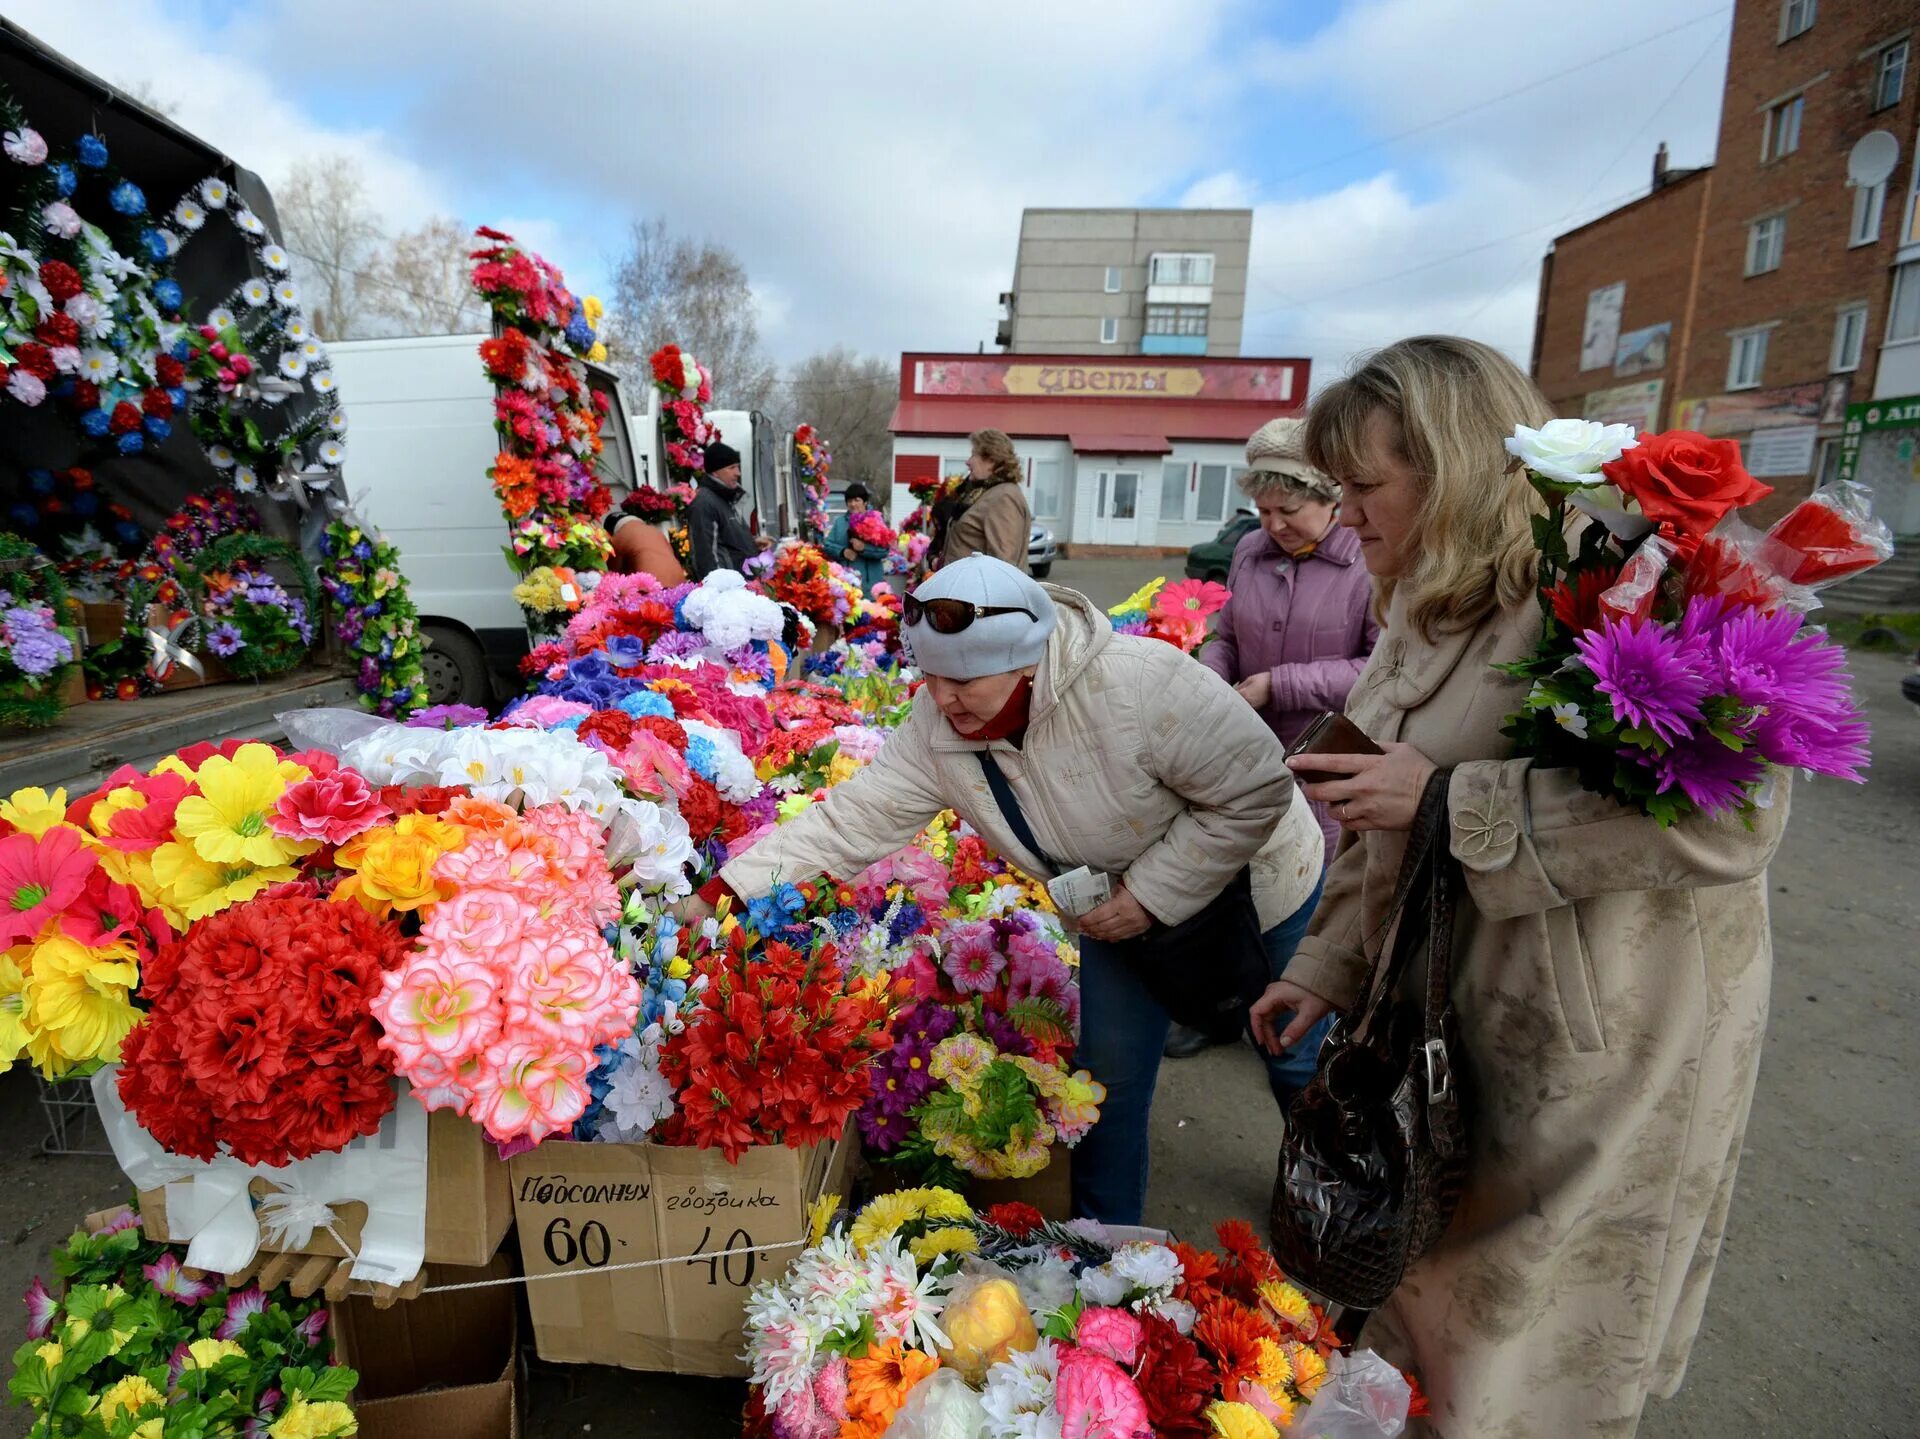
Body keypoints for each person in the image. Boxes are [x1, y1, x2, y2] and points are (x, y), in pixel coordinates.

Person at [1248, 336, 1789, 1437]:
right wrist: (1326, 959)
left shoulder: (1624, 576)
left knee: (1520, 1350)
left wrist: (1457, 799)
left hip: (1596, 1048)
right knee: (1429, 1312)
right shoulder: (1421, 592)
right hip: (1452, 1026)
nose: (1341, 515)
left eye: (1361, 486)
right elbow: (1377, 792)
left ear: (1450, 468)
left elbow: (1738, 816)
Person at [686, 555, 1322, 1226]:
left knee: (1290, 1049)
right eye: (929, 677)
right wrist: (723, 891)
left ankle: (1329, 1209)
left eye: (963, 679)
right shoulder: (939, 729)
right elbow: (853, 820)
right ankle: (1109, 1249)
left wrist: (1149, 895)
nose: (941, 698)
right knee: (1107, 1083)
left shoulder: (1139, 683)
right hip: (1114, 910)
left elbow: (1256, 788)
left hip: (1257, 886)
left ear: (1026, 662)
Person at [1165, 419, 1380, 1078]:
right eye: (1262, 510)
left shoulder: (1368, 559)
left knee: (1309, 895)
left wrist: (1277, 683)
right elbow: (1227, 632)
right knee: (1238, 883)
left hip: (1326, 757)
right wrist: (1209, 667)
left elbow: (1377, 666)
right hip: (1246, 749)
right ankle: (1226, 1007)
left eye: (1289, 509)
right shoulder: (1251, 551)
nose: (1273, 524)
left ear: (1331, 497)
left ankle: (1300, 1031)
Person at [928, 429, 1030, 572]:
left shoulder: (1004, 498)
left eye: (973, 455)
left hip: (976, 593)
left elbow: (1004, 566)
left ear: (991, 460)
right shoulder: (982, 492)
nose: (968, 462)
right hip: (963, 589)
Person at [686, 442, 758, 579]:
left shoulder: (725, 498)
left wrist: (754, 543)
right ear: (715, 472)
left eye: (737, 467)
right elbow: (705, 555)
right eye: (732, 468)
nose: (738, 473)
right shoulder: (704, 503)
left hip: (740, 585)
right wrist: (720, 589)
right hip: (727, 590)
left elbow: (729, 541)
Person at [824, 481, 888, 594]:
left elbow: (884, 551)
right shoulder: (840, 522)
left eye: (857, 500)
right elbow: (828, 546)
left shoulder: (876, 521)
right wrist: (843, 552)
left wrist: (864, 548)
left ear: (865, 502)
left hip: (872, 584)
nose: (853, 504)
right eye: (849, 501)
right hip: (847, 584)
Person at [605, 506, 687, 587]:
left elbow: (613, 573)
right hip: (680, 584)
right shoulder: (655, 531)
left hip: (652, 588)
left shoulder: (619, 537)